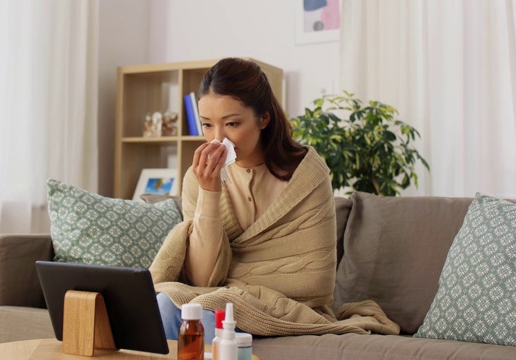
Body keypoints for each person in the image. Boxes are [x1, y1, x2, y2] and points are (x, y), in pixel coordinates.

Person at [150, 58, 399, 343]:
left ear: (263, 118)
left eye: (232, 123)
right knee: (165, 307)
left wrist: (242, 295)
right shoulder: (198, 178)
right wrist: (209, 193)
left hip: (284, 308)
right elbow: (201, 280)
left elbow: (313, 282)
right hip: (216, 298)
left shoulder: (307, 176)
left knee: (205, 318)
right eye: (207, 125)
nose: (218, 139)